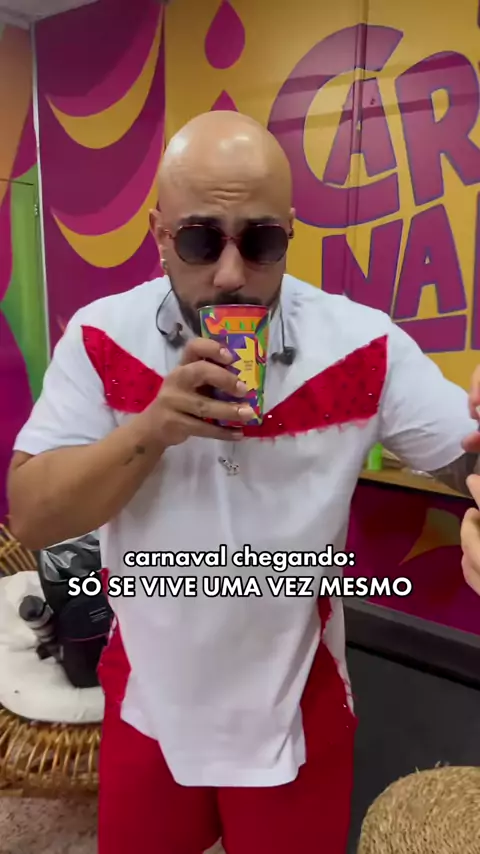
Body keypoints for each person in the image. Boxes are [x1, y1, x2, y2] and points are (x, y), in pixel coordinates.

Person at [7, 110, 480, 854]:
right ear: (159, 233)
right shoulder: (101, 337)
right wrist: (150, 430)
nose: (230, 275)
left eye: (260, 242)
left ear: (289, 233)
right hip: (147, 700)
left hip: (295, 704)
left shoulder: (362, 344)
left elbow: (465, 457)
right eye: (200, 240)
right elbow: (32, 515)